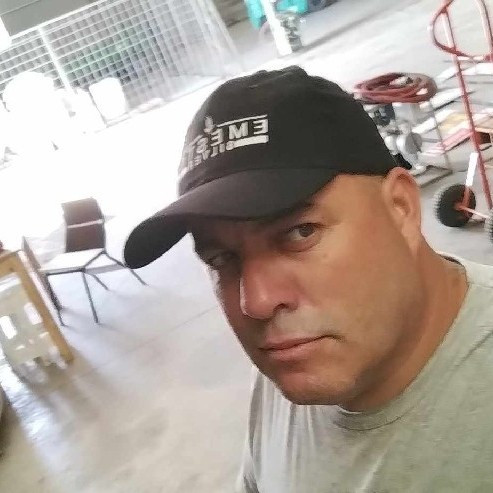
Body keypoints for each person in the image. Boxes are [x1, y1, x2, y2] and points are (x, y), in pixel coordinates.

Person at [124, 66, 493, 492]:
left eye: (300, 233)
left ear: (401, 208)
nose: (256, 301)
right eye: (222, 258)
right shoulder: (294, 356)